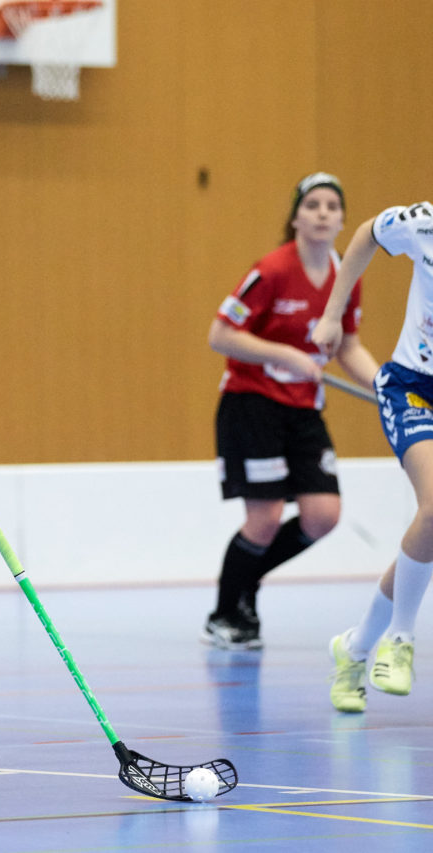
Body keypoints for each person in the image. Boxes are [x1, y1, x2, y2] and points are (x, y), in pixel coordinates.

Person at [204, 172, 380, 650]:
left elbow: (349, 346)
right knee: (263, 519)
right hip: (251, 404)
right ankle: (226, 612)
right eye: (313, 205)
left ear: (343, 219)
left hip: (303, 410)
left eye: (332, 206)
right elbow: (220, 335)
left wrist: (387, 384)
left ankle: (246, 585)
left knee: (323, 514)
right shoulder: (273, 270)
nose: (323, 213)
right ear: (296, 216)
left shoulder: (347, 276)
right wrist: (284, 355)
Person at [313, 199, 433, 713]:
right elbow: (365, 234)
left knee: (429, 532)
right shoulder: (424, 223)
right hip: (411, 386)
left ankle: (356, 647)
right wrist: (332, 315)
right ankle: (400, 639)